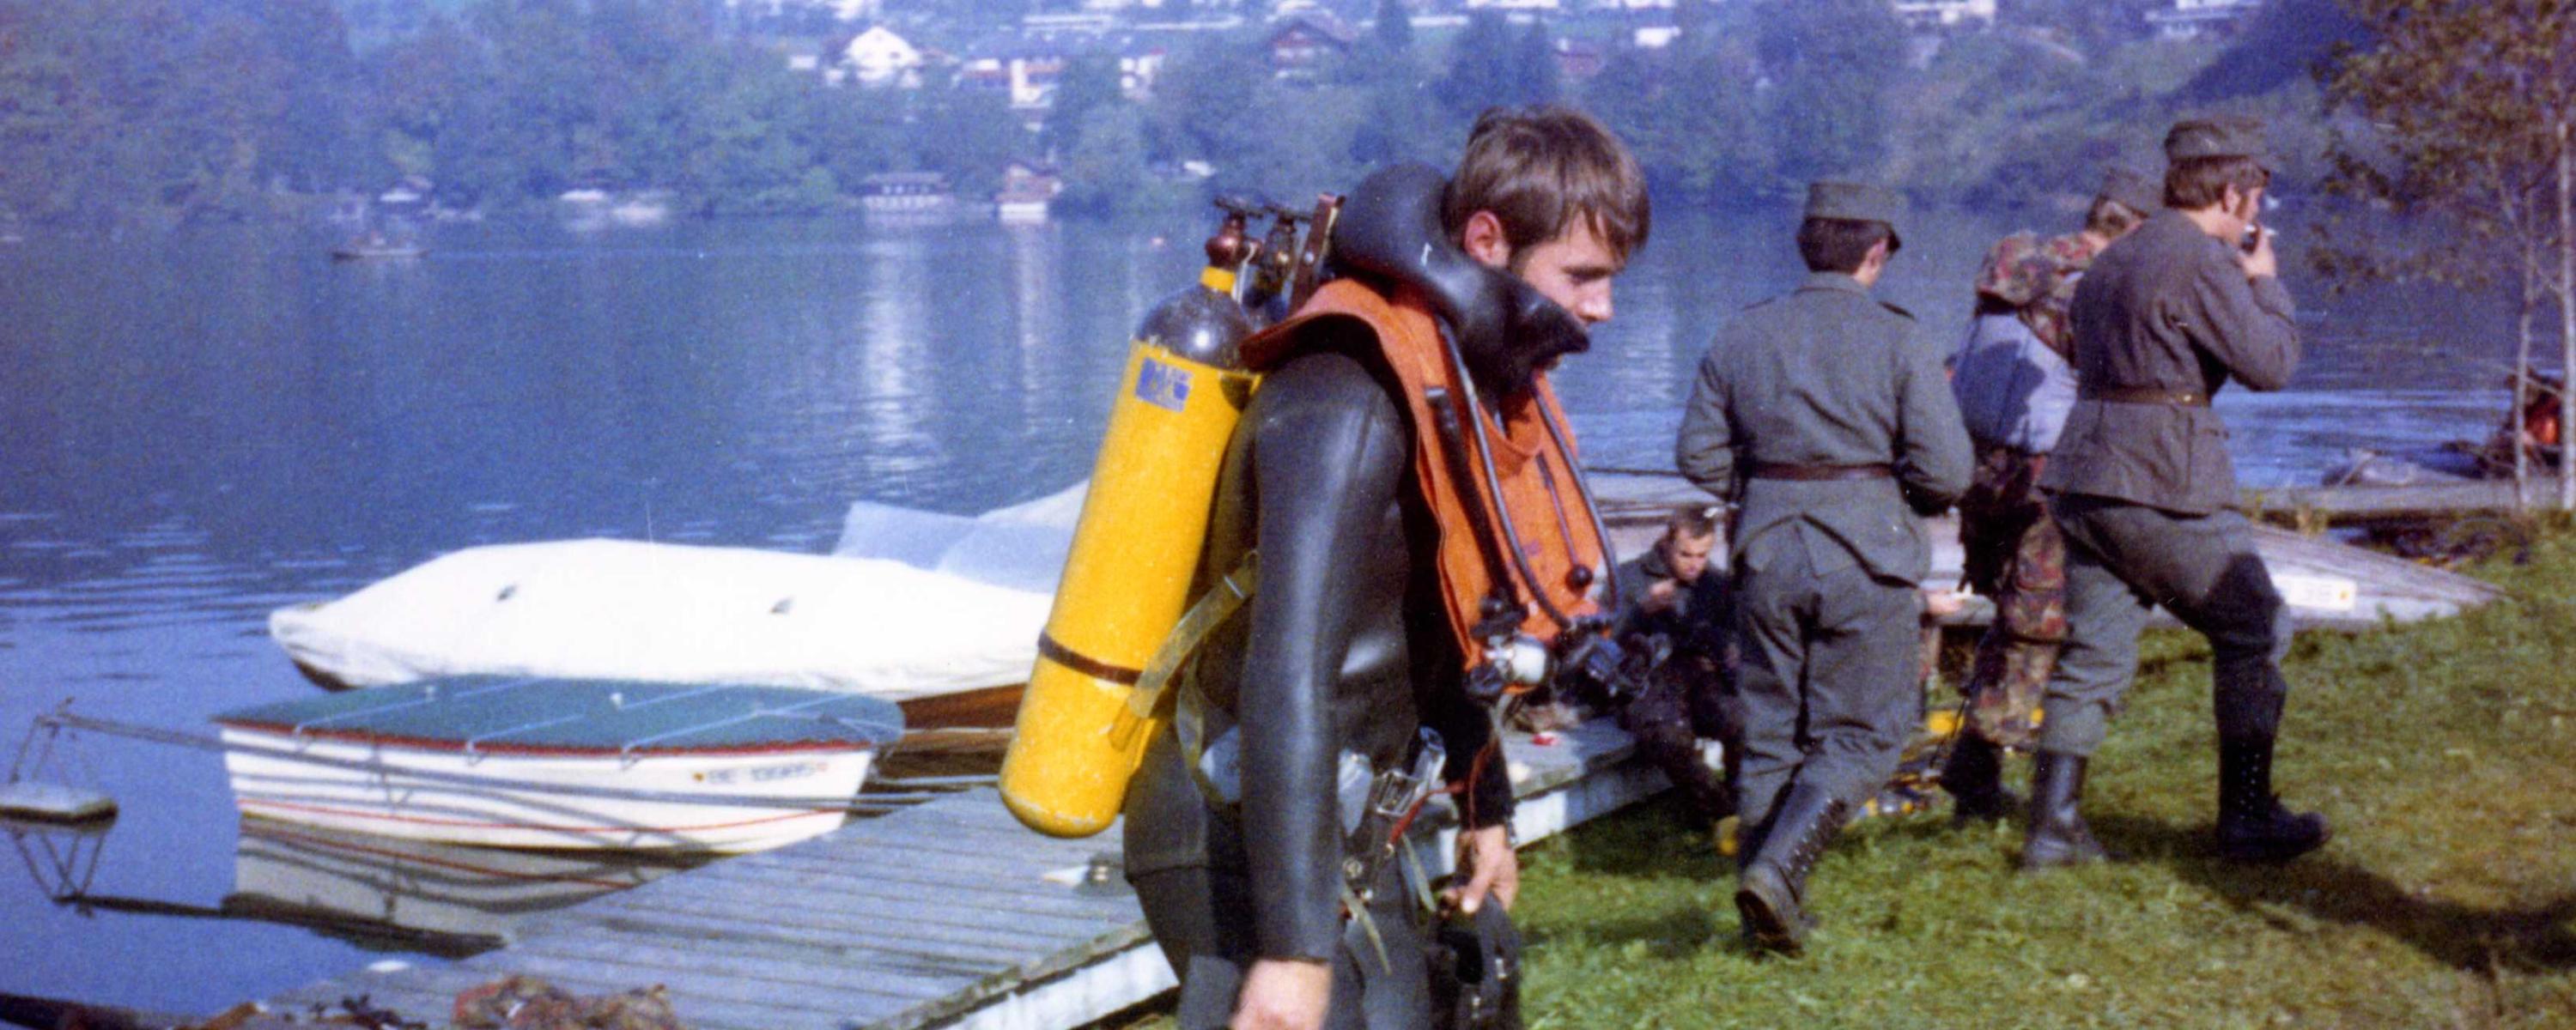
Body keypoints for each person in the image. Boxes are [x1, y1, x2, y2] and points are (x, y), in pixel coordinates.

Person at [1122, 105, 1649, 1030]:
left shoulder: (1454, 386)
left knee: (1464, 1000)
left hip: (1343, 821)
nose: (1603, 307)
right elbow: (1288, 672)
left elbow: (1456, 618)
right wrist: (1290, 954)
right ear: (1487, 240)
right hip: (1232, 825)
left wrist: (1486, 809)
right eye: (1585, 276)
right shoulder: (1346, 396)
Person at [2023, 117, 2330, 872]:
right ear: (2234, 191)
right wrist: (2266, 282)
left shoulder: (2112, 259)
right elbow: (2273, 365)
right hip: (2163, 479)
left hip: (2084, 475)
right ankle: (2248, 820)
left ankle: (2052, 831)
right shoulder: (2202, 262)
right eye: (2257, 194)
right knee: (2255, 625)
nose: (2258, 212)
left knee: (2093, 650)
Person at [1674, 181, 1971, 954]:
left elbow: (1698, 455)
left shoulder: (1743, 333)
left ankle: (1767, 910)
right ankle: (1777, 875)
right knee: (1870, 733)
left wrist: (1765, 488)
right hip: (1867, 554)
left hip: (1767, 552)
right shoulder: (1901, 338)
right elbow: (1948, 473)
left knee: (1771, 729)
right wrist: (1885, 489)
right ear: (1876, 253)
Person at [1939, 167, 2159, 822]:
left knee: (2011, 612)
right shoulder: (2095, 293)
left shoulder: (2021, 262)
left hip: (1978, 473)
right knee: (2039, 624)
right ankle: (1980, 775)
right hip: (2041, 483)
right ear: (2136, 228)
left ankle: (1974, 765)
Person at [1610, 506, 1735, 827]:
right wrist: (1642, 611)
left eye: (1702, 555)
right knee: (1666, 735)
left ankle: (1744, 804)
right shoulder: (1628, 577)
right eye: (1685, 554)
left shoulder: (1716, 583)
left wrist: (1718, 643)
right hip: (1650, 680)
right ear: (1666, 543)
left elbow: (1734, 639)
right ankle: (1720, 812)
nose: (1694, 564)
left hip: (1700, 674)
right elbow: (1603, 639)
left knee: (1738, 719)